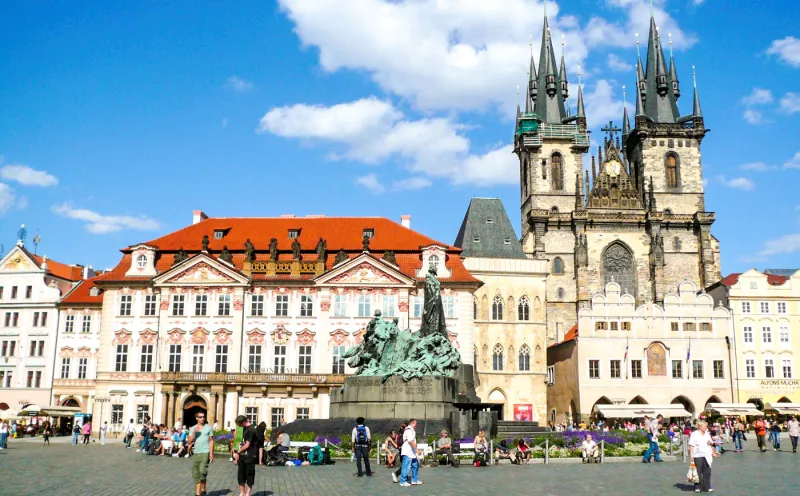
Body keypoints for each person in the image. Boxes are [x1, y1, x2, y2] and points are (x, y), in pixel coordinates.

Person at [187, 412, 214, 496]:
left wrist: (211, 454)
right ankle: (198, 494)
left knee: (202, 471)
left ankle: (204, 487)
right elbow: (189, 441)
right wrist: (194, 433)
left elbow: (211, 441)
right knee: (196, 473)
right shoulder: (193, 428)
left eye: (203, 417)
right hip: (196, 452)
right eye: (200, 417)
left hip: (205, 452)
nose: (202, 418)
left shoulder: (208, 428)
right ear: (196, 418)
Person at [233, 415, 258, 496]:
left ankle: (247, 494)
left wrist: (238, 452)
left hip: (250, 456)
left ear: (243, 422)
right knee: (241, 475)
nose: (239, 426)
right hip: (243, 456)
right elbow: (241, 441)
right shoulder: (244, 428)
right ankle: (241, 493)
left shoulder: (251, 430)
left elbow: (247, 445)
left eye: (239, 424)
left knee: (249, 475)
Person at [689, 420, 714, 493]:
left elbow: (711, 442)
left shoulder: (707, 434)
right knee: (698, 472)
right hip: (697, 455)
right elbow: (691, 445)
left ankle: (707, 486)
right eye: (705, 426)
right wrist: (691, 455)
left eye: (706, 426)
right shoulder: (694, 434)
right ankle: (698, 486)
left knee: (707, 471)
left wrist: (710, 442)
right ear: (699, 427)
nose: (706, 427)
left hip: (707, 455)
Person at [399, 419, 421, 487]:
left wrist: (415, 450)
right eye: (415, 424)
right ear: (412, 423)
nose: (416, 425)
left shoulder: (412, 430)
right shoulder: (408, 430)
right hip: (407, 451)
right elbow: (411, 441)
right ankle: (402, 481)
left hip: (412, 452)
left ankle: (414, 480)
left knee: (415, 465)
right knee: (406, 466)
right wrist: (417, 449)